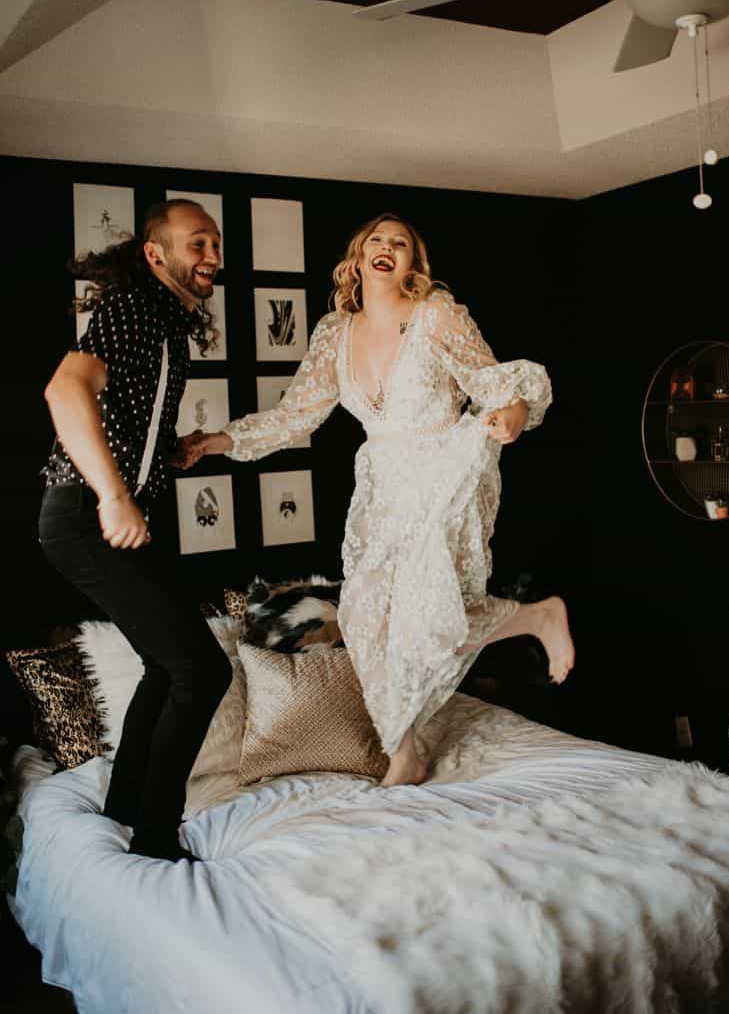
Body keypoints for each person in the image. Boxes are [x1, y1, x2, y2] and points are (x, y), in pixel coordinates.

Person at [180, 213, 571, 787]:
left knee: (427, 608)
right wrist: (219, 441)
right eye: (377, 242)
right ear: (357, 259)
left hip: (444, 466)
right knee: (364, 619)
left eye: (401, 243)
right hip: (384, 483)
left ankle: (527, 631)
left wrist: (511, 416)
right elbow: (296, 417)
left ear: (413, 263)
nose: (387, 248)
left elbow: (494, 384)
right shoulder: (334, 333)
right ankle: (411, 743)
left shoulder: (436, 314)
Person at [39, 199, 231, 863]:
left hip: (101, 513)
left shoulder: (166, 327)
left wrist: (168, 451)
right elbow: (65, 391)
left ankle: (125, 808)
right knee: (201, 670)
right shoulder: (134, 311)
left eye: (216, 244)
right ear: (157, 255)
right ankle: (155, 835)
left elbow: (125, 415)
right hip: (85, 515)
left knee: (169, 664)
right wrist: (115, 495)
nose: (213, 256)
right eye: (198, 244)